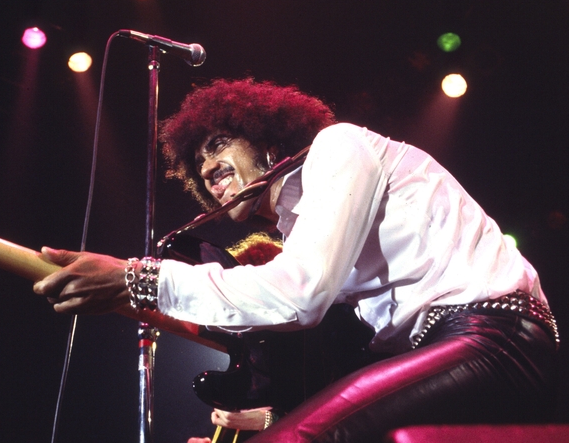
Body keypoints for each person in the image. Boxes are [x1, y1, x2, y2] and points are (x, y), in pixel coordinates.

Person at [33, 78, 559, 442]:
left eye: (220, 144)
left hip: (494, 339)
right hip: (455, 348)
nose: (210, 166)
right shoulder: (301, 227)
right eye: (199, 166)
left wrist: (137, 279)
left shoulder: (338, 145)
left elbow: (298, 294)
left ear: (265, 140)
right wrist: (272, 418)